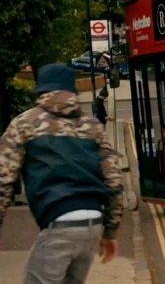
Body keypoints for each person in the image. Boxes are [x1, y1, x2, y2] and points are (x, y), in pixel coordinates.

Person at [0, 63, 123, 283]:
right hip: (92, 224)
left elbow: (3, 178)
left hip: (59, 223)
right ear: (72, 91)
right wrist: (110, 231)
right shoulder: (93, 126)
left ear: (41, 90)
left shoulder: (24, 124)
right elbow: (113, 180)